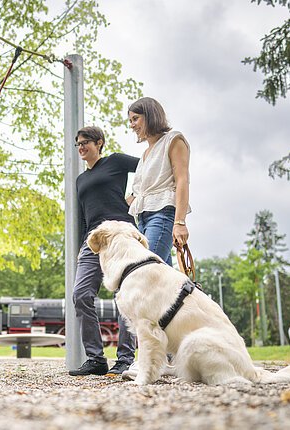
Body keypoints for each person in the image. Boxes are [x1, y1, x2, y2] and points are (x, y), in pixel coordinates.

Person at [69, 126, 139, 377]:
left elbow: (148, 169)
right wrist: (80, 247)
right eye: (77, 144)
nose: (80, 147)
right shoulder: (80, 180)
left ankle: (125, 358)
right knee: (80, 294)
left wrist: (135, 196)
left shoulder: (116, 162)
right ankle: (96, 359)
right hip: (93, 241)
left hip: (120, 234)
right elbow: (83, 217)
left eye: (85, 142)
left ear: (99, 143)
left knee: (123, 295)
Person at [127, 97, 191, 264]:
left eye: (135, 119)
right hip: (142, 220)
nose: (131, 125)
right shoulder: (145, 155)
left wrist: (179, 222)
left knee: (144, 269)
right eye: (130, 120)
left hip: (162, 215)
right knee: (162, 281)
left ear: (150, 115)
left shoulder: (173, 140)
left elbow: (182, 180)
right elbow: (138, 194)